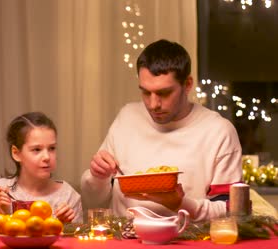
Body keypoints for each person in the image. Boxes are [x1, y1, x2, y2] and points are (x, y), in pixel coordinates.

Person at [81, 39, 243, 222]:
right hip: (125, 241)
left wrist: (180, 203)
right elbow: (93, 202)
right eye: (145, 92)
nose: (153, 104)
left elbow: (233, 211)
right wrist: (97, 177)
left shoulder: (218, 131)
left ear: (188, 84)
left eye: (164, 93)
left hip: (188, 243)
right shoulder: (127, 117)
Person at [0, 111, 83, 223]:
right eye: (37, 149)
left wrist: (65, 226)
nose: (47, 157)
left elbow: (78, 238)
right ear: (16, 153)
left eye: (52, 148)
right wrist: (3, 215)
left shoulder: (68, 196)